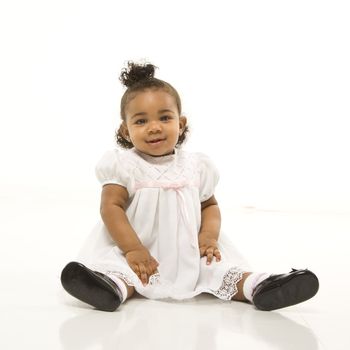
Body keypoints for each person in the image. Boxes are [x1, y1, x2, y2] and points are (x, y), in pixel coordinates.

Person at [61, 61, 319, 312]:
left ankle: (260, 286)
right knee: (125, 269)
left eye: (164, 117)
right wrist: (133, 249)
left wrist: (208, 236)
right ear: (126, 131)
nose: (154, 127)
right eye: (141, 121)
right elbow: (111, 207)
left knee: (218, 268)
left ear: (180, 123)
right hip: (136, 246)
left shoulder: (196, 165)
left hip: (191, 249)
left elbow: (209, 205)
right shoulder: (124, 164)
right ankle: (110, 287)